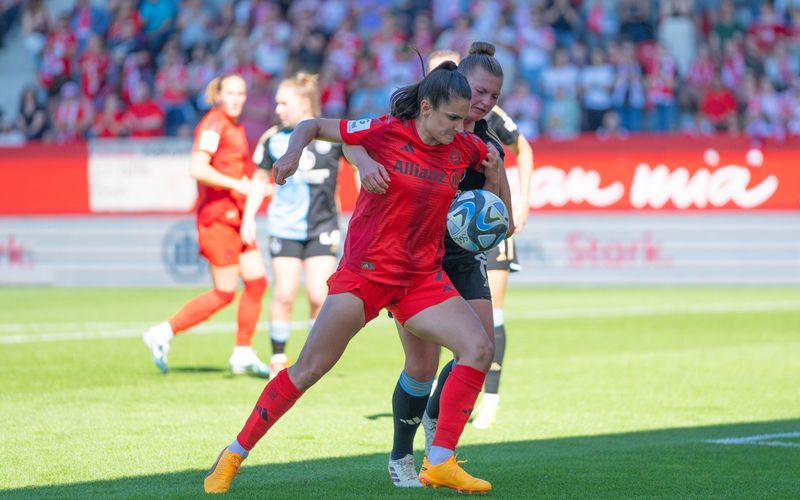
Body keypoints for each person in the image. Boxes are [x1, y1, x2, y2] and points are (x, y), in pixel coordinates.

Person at [204, 62, 501, 495]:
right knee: (308, 369)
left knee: (478, 347)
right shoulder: (385, 131)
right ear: (424, 108)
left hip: (421, 278)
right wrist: (292, 154)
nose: (459, 128)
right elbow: (312, 126)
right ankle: (233, 454)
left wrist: (497, 174)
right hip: (366, 274)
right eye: (451, 118)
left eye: (463, 120)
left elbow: (496, 194)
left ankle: (439, 460)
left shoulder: (466, 147)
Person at [344, 43, 524, 488]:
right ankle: (401, 457)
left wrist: (496, 171)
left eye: (494, 96)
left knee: (481, 349)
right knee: (421, 366)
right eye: (480, 90)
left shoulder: (486, 144)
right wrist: (365, 161)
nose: (484, 102)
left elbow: (506, 222)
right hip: (413, 258)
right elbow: (352, 140)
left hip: (460, 258)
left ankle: (437, 432)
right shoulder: (415, 120)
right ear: (458, 83)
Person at [143, 74, 270, 377]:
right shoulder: (214, 123)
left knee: (257, 282)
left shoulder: (233, 126)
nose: (237, 98)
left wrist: (255, 188)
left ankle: (243, 351)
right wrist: (237, 186)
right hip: (218, 217)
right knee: (225, 291)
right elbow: (197, 168)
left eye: (241, 93)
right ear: (218, 95)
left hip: (236, 215)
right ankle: (162, 332)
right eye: (231, 93)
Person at [241, 73, 343, 379]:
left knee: (317, 295)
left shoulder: (330, 135)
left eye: (283, 102)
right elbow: (259, 179)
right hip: (285, 227)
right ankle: (277, 361)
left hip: (323, 226)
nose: (277, 109)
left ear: (303, 103)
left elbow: (354, 173)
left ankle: (313, 359)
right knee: (284, 294)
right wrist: (248, 218)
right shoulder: (273, 137)